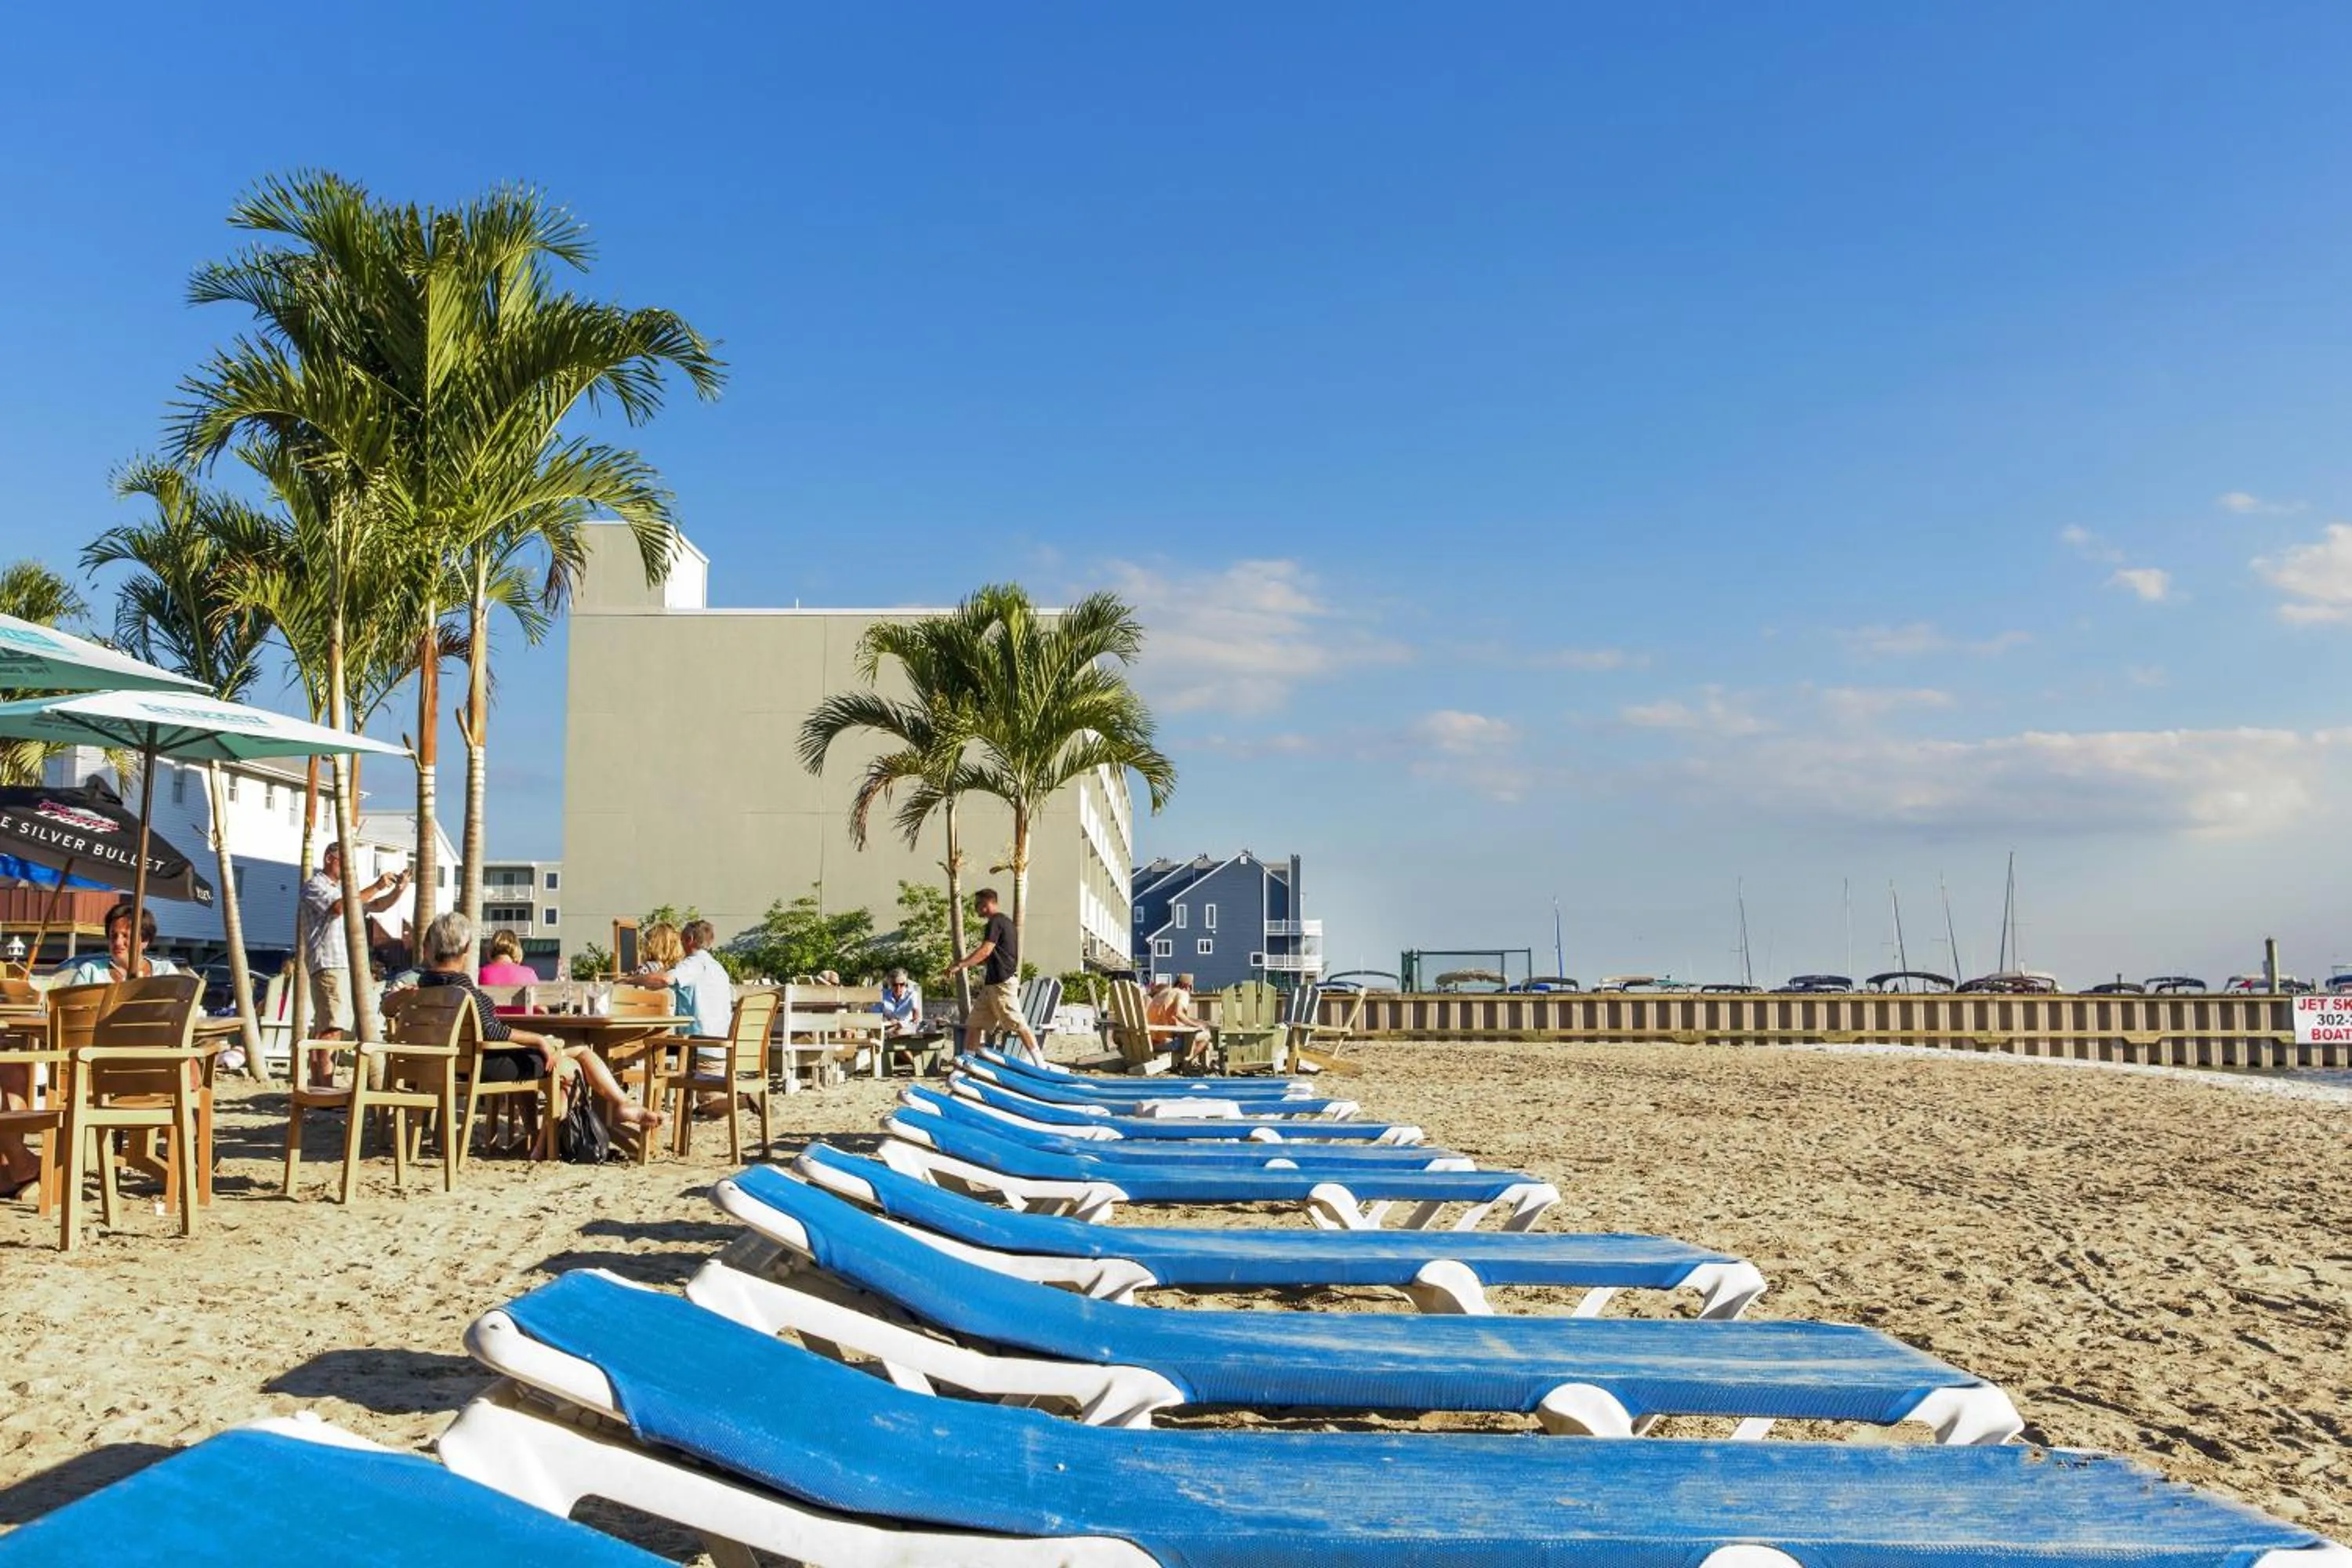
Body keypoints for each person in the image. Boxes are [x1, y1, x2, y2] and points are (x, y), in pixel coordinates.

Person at [412, 912, 660, 1153]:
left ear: (429, 948)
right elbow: (492, 1030)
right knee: (571, 1063)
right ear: (466, 950)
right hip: (485, 1063)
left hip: (453, 1063)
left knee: (567, 1056)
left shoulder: (424, 987)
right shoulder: (463, 989)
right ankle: (547, 1143)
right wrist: (538, 1039)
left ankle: (537, 1138)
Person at [298, 844, 408, 1088]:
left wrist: (398, 890)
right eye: (344, 862)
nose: (349, 869)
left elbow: (378, 906)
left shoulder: (340, 891)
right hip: (329, 963)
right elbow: (339, 908)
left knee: (328, 1026)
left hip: (339, 965)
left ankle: (320, 1083)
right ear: (329, 859)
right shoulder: (316, 885)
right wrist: (377, 886)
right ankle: (323, 1085)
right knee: (331, 1027)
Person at [948, 887, 1039, 1064]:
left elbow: (986, 950)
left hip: (1002, 983)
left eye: (977, 904)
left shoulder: (996, 921)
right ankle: (967, 1062)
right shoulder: (1003, 923)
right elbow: (991, 955)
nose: (975, 909)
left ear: (987, 903)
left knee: (1017, 1023)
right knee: (974, 1024)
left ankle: (1040, 1063)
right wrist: (970, 962)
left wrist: (961, 964)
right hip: (991, 985)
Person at [49, 900, 183, 988]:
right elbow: (71, 1011)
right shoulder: (91, 972)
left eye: (126, 936)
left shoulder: (165, 972)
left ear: (145, 941)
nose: (118, 942)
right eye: (113, 935)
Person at [1149, 973, 1212, 1072]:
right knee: (1206, 1035)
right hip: (1165, 1042)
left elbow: (1171, 1017)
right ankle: (1186, 1063)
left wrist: (1192, 1022)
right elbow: (1179, 1014)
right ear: (1188, 986)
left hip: (1151, 1040)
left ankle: (1184, 1062)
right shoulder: (1182, 994)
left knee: (1192, 1035)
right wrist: (1197, 1025)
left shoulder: (1162, 993)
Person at [876, 968, 924, 1037]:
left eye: (902, 984)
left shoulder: (912, 995)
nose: (898, 988)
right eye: (895, 985)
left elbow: (916, 1016)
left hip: (905, 1027)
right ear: (890, 984)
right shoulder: (883, 995)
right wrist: (887, 1021)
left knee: (899, 1032)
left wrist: (898, 1024)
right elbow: (875, 1013)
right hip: (886, 1026)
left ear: (906, 983)